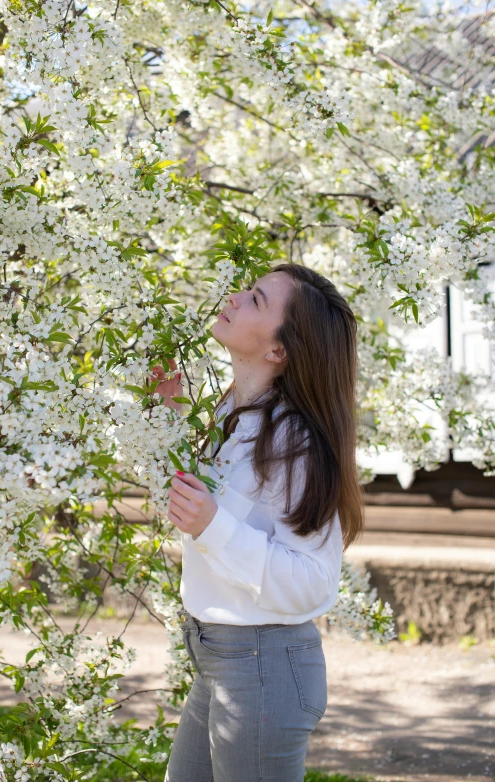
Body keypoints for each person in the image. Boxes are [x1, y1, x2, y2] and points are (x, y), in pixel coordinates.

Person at [153, 263, 364, 782]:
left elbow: (314, 581)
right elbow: (202, 505)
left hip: (263, 668)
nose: (234, 297)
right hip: (218, 661)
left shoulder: (298, 445)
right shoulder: (234, 414)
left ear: (277, 350)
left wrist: (212, 527)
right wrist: (168, 418)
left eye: (255, 299)